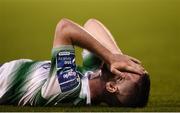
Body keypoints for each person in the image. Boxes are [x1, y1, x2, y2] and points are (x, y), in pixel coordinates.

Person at [0, 18, 150, 107]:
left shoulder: (70, 87)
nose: (124, 64)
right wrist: (116, 54)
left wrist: (111, 57)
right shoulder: (93, 74)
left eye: (126, 70)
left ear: (111, 87)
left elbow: (64, 28)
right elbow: (91, 23)